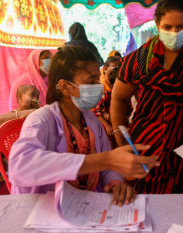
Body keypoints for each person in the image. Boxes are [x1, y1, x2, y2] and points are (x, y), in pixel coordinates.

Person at [8, 46, 159, 205]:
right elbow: (20, 166)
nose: (98, 86)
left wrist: (116, 183)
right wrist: (105, 160)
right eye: (90, 81)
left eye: (97, 80)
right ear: (65, 87)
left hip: (86, 206)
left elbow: (108, 168)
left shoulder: (91, 121)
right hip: (45, 209)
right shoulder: (42, 120)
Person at [111, 0, 183, 194]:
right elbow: (119, 98)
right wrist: (120, 137)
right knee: (146, 205)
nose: (174, 32)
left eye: (181, 27)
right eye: (168, 27)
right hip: (145, 147)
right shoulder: (140, 59)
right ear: (157, 24)